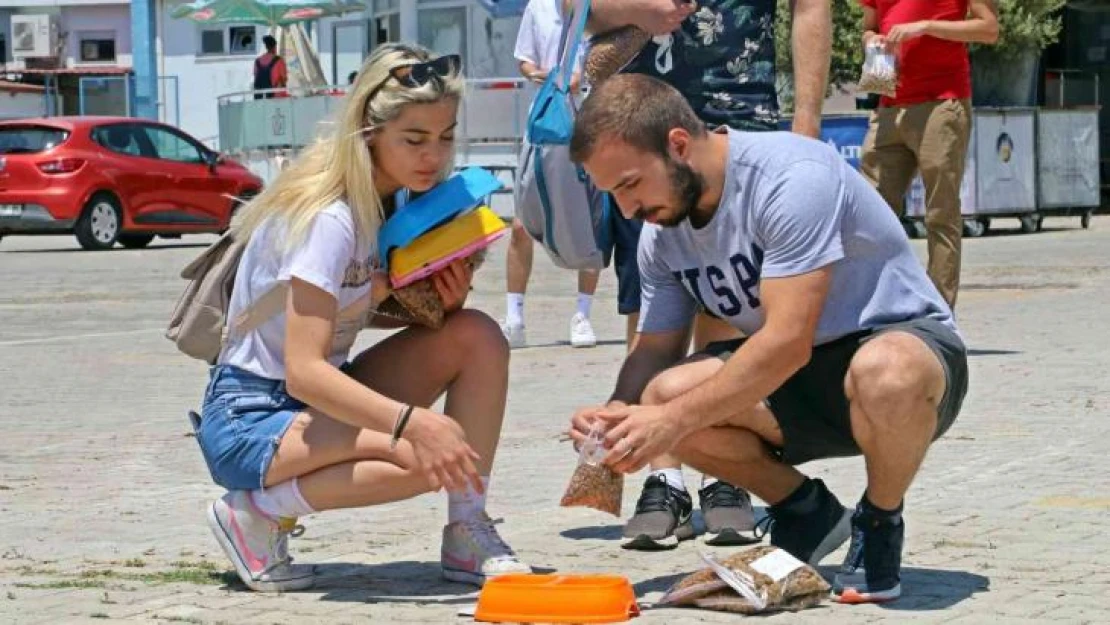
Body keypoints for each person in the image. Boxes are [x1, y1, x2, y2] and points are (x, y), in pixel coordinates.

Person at [567, 74, 968, 603]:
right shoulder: (661, 233)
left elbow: (786, 342)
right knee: (660, 395)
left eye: (629, 185)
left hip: (900, 353)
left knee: (886, 370)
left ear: (678, 145)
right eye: (612, 194)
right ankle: (807, 513)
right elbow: (656, 351)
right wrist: (618, 417)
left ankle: (879, 521)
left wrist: (668, 423)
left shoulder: (790, 176)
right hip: (798, 380)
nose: (626, 210)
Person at [196, 43, 532, 593]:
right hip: (252, 416)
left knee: (476, 336)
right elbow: (304, 369)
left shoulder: (391, 202)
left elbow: (347, 315)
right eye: (415, 139)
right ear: (371, 132)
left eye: (445, 137)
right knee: (431, 455)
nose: (434, 156)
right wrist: (411, 421)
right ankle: (255, 514)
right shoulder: (329, 216)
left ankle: (466, 528)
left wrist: (440, 305)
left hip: (310, 403)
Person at [582, 0, 832, 550]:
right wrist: (631, 9)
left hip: (740, 109)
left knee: (730, 299)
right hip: (634, 126)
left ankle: (727, 476)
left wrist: (807, 124)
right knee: (652, 307)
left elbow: (811, 8)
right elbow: (576, 14)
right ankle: (661, 475)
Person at [858, 0, 999, 309]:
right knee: (868, 213)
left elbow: (988, 29)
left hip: (941, 103)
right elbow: (868, 27)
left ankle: (939, 313)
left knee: (940, 212)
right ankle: (873, 306)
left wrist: (927, 27)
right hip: (888, 101)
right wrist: (873, 40)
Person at [504, 0, 599, 349]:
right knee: (520, 224)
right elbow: (524, 57)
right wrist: (536, 75)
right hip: (544, 121)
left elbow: (612, 58)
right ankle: (514, 316)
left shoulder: (600, 8)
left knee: (588, 220)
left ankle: (583, 314)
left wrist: (581, 78)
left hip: (589, 119)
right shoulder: (538, 7)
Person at [253, 35, 288, 100]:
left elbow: (255, 75)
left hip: (260, 97)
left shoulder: (257, 61)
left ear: (266, 47)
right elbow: (284, 79)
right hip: (276, 98)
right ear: (274, 47)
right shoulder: (279, 60)